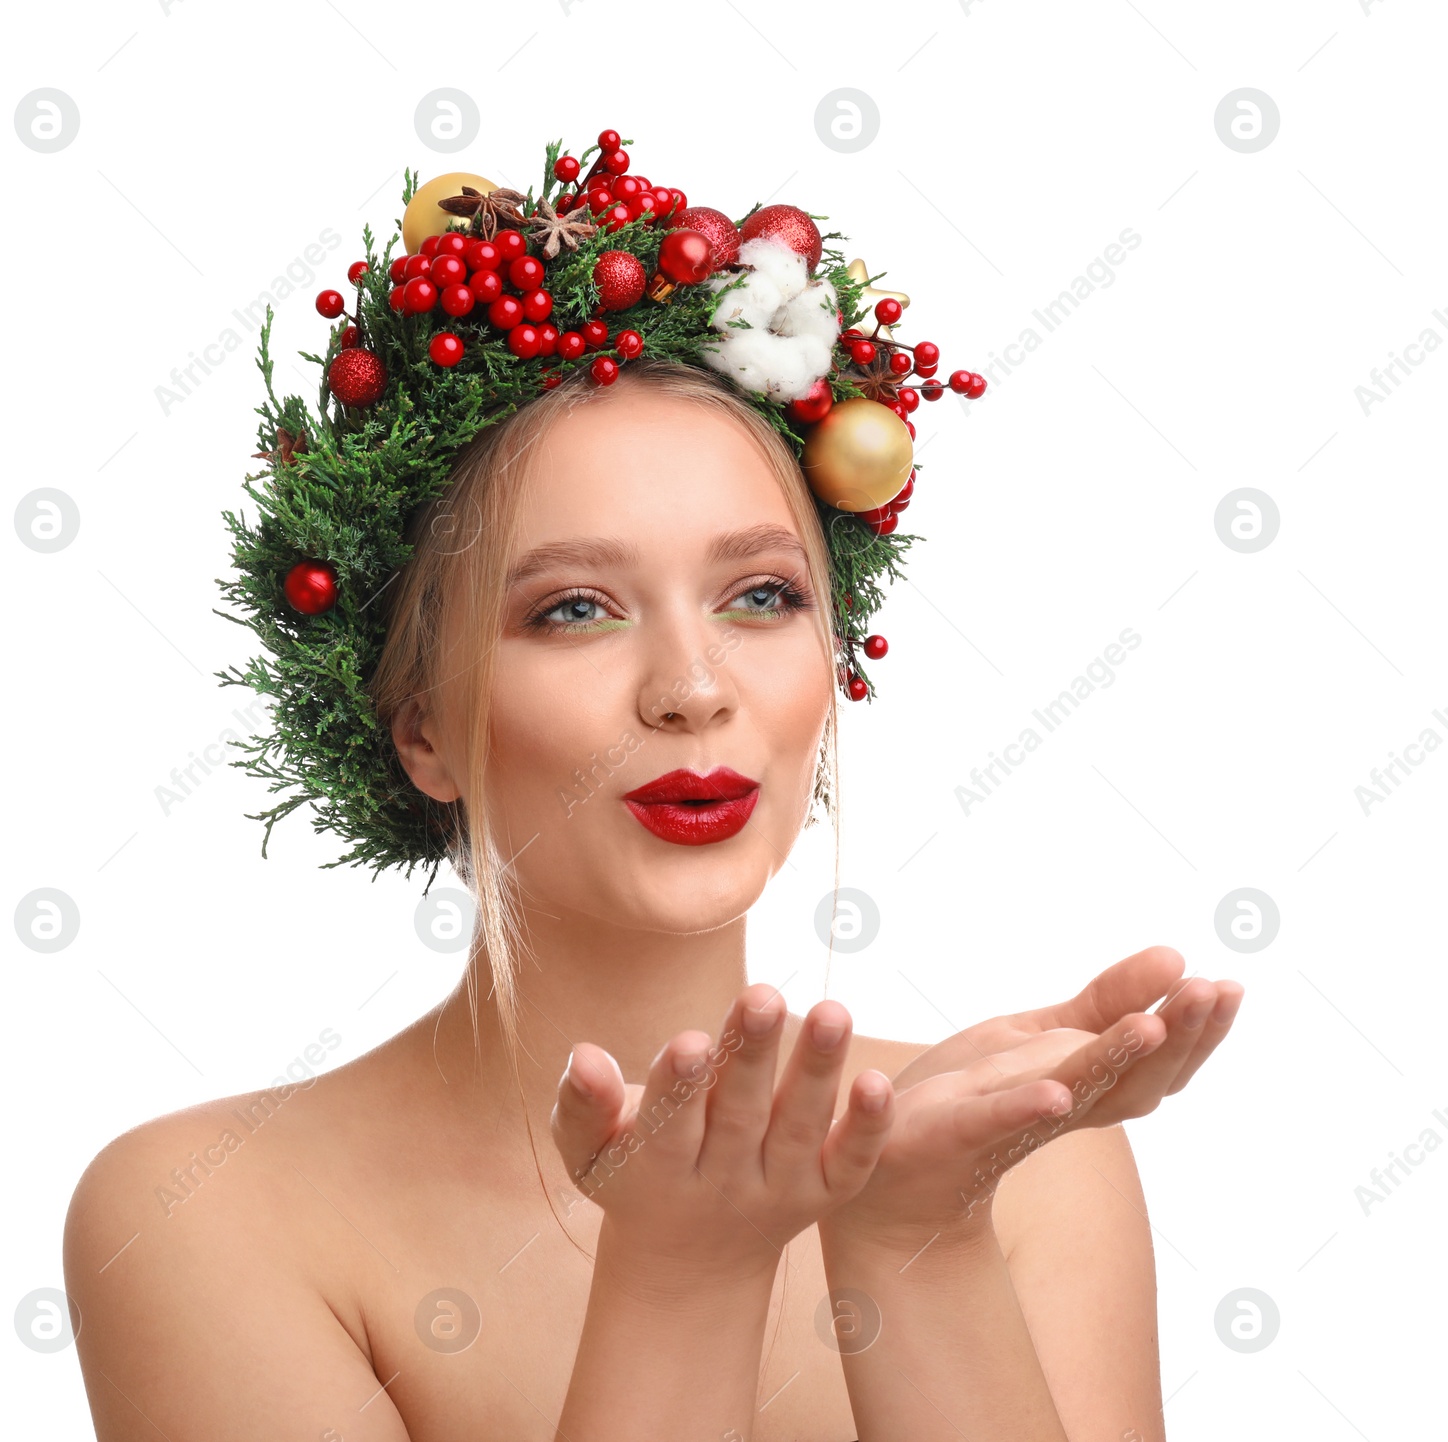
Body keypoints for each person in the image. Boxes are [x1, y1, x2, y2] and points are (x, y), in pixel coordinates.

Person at [63, 136, 1244, 1442]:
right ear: (422, 733)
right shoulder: (198, 1211)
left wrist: (922, 1234)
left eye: (760, 595)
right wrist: (682, 1274)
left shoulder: (1022, 1158)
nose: (691, 686)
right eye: (572, 608)